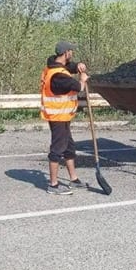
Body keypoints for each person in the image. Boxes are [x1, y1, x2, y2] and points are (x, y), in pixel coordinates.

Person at [40, 41, 89, 194]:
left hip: (63, 115)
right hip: (58, 116)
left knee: (69, 147)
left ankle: (73, 179)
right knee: (57, 149)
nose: (72, 54)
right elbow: (78, 87)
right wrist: (83, 80)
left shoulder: (54, 65)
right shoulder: (58, 76)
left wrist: (78, 66)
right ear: (66, 52)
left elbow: (69, 67)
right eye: (71, 51)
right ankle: (53, 185)